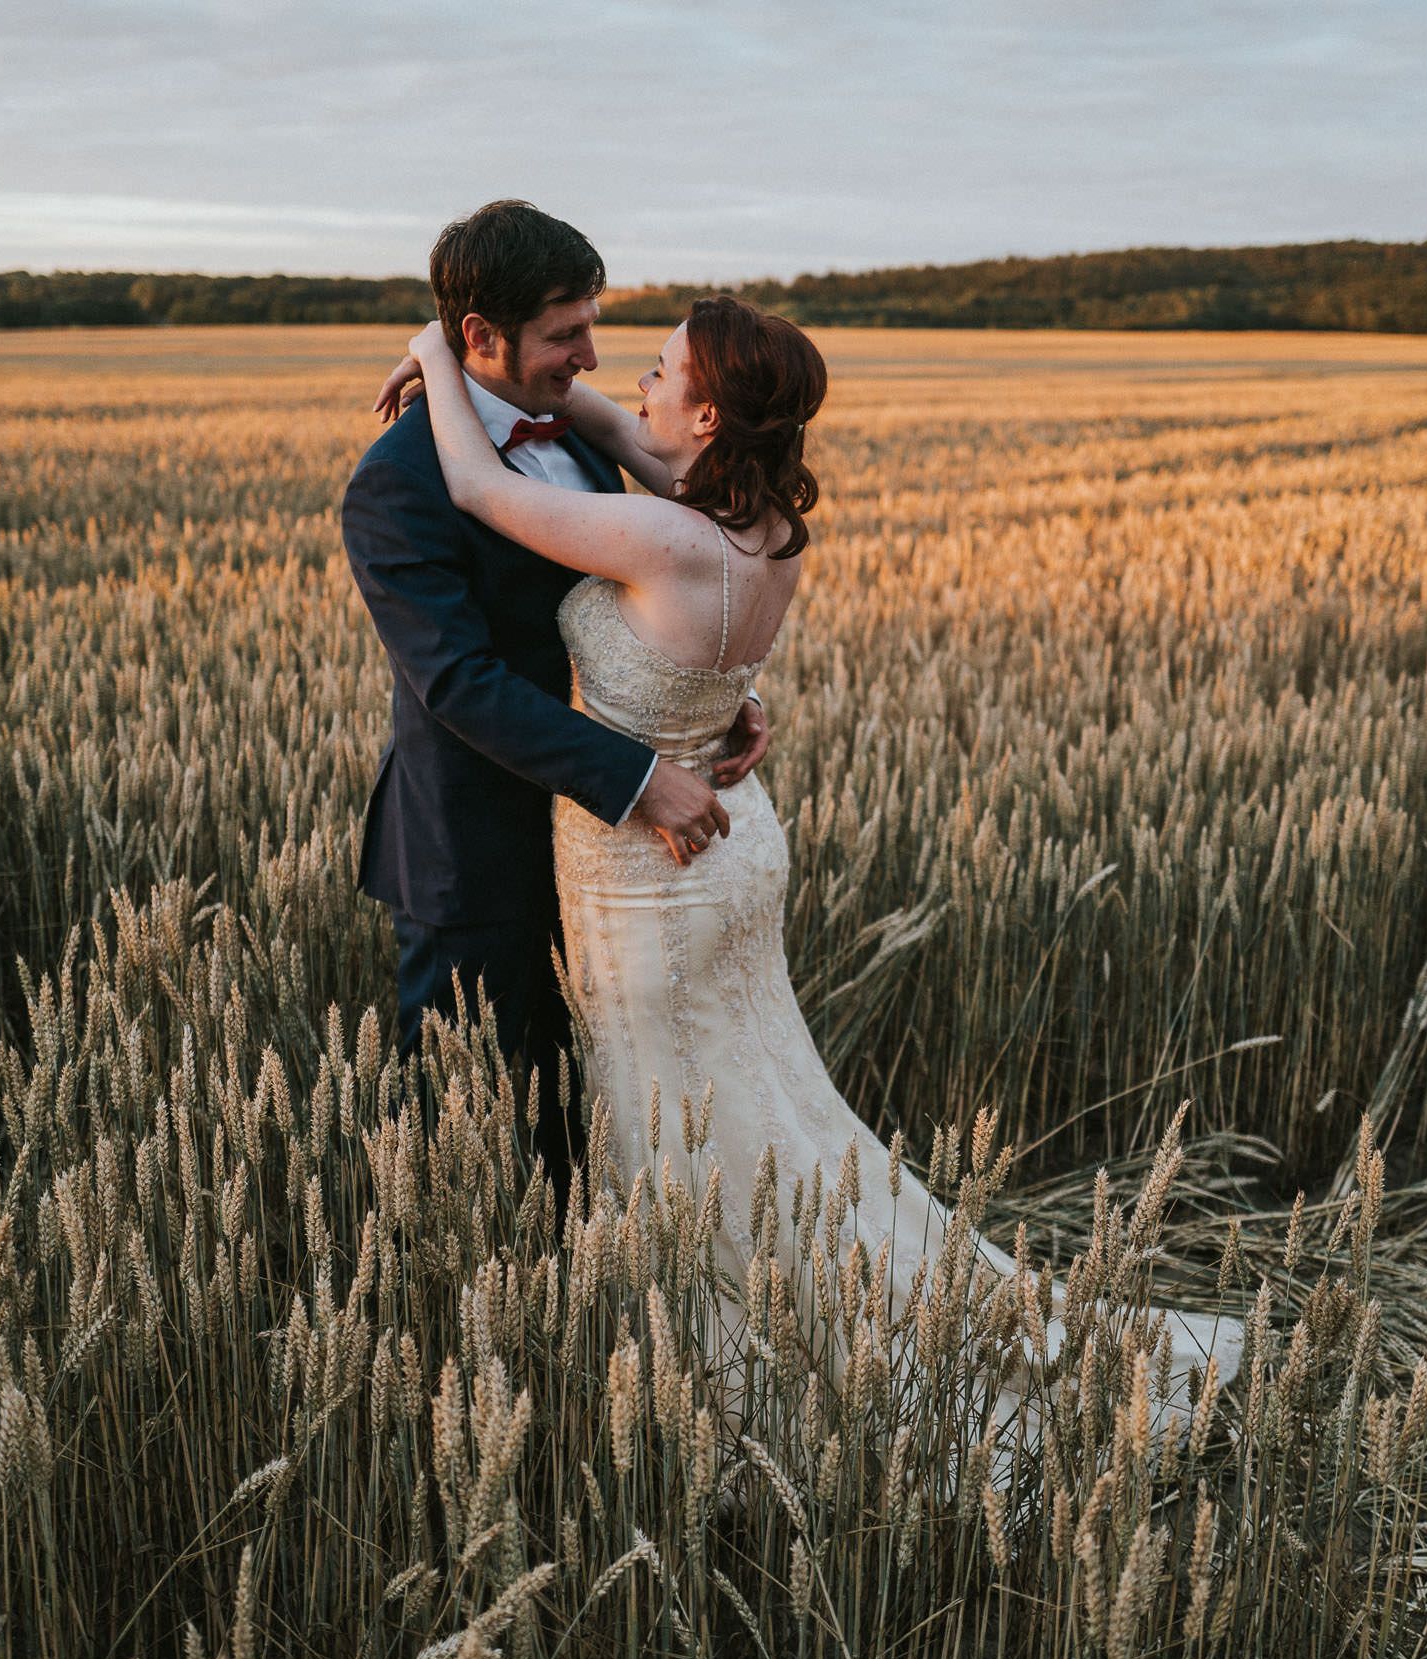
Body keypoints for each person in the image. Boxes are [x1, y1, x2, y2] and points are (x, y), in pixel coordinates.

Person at [373, 277, 1248, 1421]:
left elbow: (484, 486)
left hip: (656, 861)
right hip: (723, 844)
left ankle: (743, 1378)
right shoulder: (758, 523)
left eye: (661, 372)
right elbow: (628, 454)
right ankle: (809, 1314)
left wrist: (438, 354)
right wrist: (708, 702)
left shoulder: (664, 530)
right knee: (758, 1104)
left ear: (704, 423)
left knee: (681, 1123)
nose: (625, 375)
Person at [341, 201, 767, 1216]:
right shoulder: (394, 486)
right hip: (475, 845)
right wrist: (635, 781)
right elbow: (456, 682)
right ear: (480, 339)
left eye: (590, 322)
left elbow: (650, 599)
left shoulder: (576, 438)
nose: (590, 355)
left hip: (601, 853)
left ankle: (594, 1318)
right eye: (564, 331)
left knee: (591, 1107)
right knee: (470, 1123)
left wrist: (719, 694)